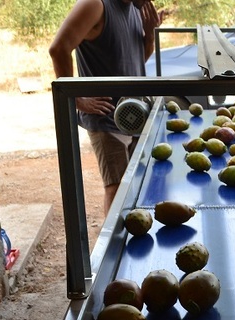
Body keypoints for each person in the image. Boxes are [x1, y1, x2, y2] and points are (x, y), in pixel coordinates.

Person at [49, 0, 167, 215]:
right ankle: (112, 248)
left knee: (136, 185)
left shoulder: (133, 10)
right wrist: (77, 98)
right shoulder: (95, 5)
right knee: (116, 187)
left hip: (135, 115)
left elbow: (136, 60)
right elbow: (58, 49)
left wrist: (149, 34)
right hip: (106, 118)